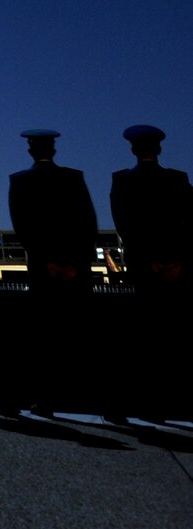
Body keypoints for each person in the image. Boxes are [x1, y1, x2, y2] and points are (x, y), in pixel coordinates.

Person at [7, 129, 99, 415]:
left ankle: (45, 398)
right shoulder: (74, 178)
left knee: (44, 335)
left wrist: (46, 260)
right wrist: (74, 262)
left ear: (30, 150)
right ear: (54, 150)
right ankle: (86, 395)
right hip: (75, 267)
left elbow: (23, 227)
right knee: (79, 333)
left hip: (42, 267)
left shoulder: (20, 181)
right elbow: (88, 223)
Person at [109, 124, 191, 421]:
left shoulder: (122, 182)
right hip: (177, 268)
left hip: (145, 268)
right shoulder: (178, 180)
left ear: (133, 149)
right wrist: (178, 261)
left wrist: (148, 262)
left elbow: (126, 226)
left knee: (146, 335)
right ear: (159, 149)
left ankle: (148, 403)